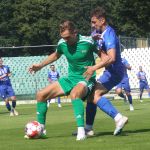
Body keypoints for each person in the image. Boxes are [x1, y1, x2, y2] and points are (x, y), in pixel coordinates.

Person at [26, 20, 98, 140]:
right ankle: (41, 130)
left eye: (68, 37)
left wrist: (100, 69)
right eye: (63, 37)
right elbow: (55, 55)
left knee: (75, 94)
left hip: (87, 78)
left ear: (75, 32)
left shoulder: (88, 41)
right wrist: (40, 66)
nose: (66, 40)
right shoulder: (62, 43)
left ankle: (81, 131)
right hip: (70, 78)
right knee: (41, 95)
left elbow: (104, 55)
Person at [83, 7, 128, 136]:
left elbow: (112, 58)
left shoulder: (109, 34)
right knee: (92, 95)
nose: (92, 25)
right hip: (111, 71)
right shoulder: (101, 34)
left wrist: (93, 68)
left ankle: (118, 118)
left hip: (114, 72)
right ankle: (88, 128)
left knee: (94, 95)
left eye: (94, 22)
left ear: (102, 20)